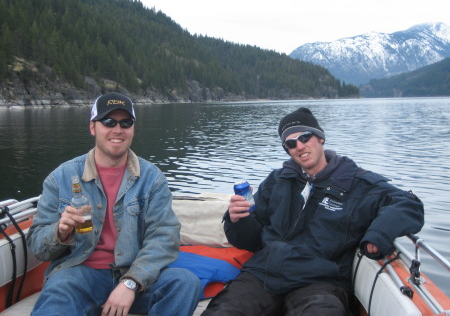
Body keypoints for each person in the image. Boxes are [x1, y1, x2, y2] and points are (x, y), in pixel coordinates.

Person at [202, 107, 424, 316]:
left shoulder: (357, 183)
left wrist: (378, 236)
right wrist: (237, 219)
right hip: (264, 274)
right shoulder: (277, 181)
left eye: (304, 137)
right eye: (290, 143)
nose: (299, 146)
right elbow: (251, 240)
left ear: (321, 138)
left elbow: (407, 203)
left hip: (321, 281)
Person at [27, 92, 202, 316]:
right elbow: (37, 247)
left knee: (185, 283)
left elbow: (164, 237)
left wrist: (131, 282)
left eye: (126, 122)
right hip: (78, 275)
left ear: (133, 128)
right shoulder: (60, 177)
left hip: (133, 273)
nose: (117, 129)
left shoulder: (153, 179)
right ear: (93, 127)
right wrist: (61, 232)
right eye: (108, 121)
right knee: (59, 291)